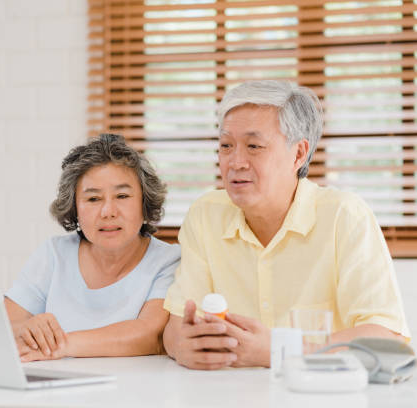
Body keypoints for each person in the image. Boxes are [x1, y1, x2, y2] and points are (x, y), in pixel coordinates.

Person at [162, 80, 411, 370]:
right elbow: (175, 327)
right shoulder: (205, 215)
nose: (235, 161)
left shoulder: (344, 217)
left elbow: (387, 341)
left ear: (298, 154)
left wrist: (280, 349)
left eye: (254, 146)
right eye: (226, 146)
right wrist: (182, 345)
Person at [4, 134, 180, 361]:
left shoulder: (168, 261)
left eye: (122, 196)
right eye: (93, 199)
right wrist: (26, 328)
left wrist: (60, 345)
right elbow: (4, 323)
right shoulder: (54, 254)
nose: (108, 211)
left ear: (144, 203)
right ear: (74, 208)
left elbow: (150, 334)